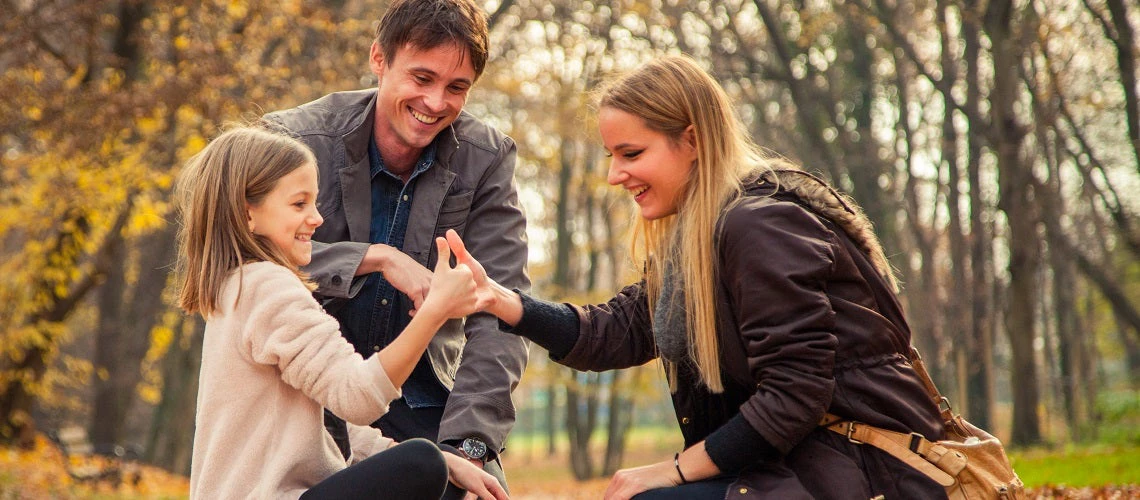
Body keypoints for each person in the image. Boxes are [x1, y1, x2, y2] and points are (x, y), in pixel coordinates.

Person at [452, 54, 949, 499]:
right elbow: (614, 332)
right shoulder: (696, 240)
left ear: (691, 140)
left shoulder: (757, 225)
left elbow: (794, 395)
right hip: (794, 468)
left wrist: (673, 470)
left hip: (864, 472)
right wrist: (500, 300)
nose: (614, 176)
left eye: (632, 154)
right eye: (612, 157)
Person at [261, 0, 529, 491]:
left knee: (475, 487)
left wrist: (468, 445)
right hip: (308, 397)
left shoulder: (487, 160)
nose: (435, 102)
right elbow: (237, 261)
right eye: (421, 78)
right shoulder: (293, 140)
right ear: (378, 59)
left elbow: (500, 314)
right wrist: (375, 258)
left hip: (425, 404)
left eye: (456, 88)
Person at [175, 126, 508, 500]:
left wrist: (451, 462)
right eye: (299, 204)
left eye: (315, 203)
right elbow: (358, 397)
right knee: (422, 462)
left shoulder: (237, 288)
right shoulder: (267, 287)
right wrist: (434, 312)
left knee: (440, 467)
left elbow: (332, 428)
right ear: (246, 214)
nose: (317, 219)